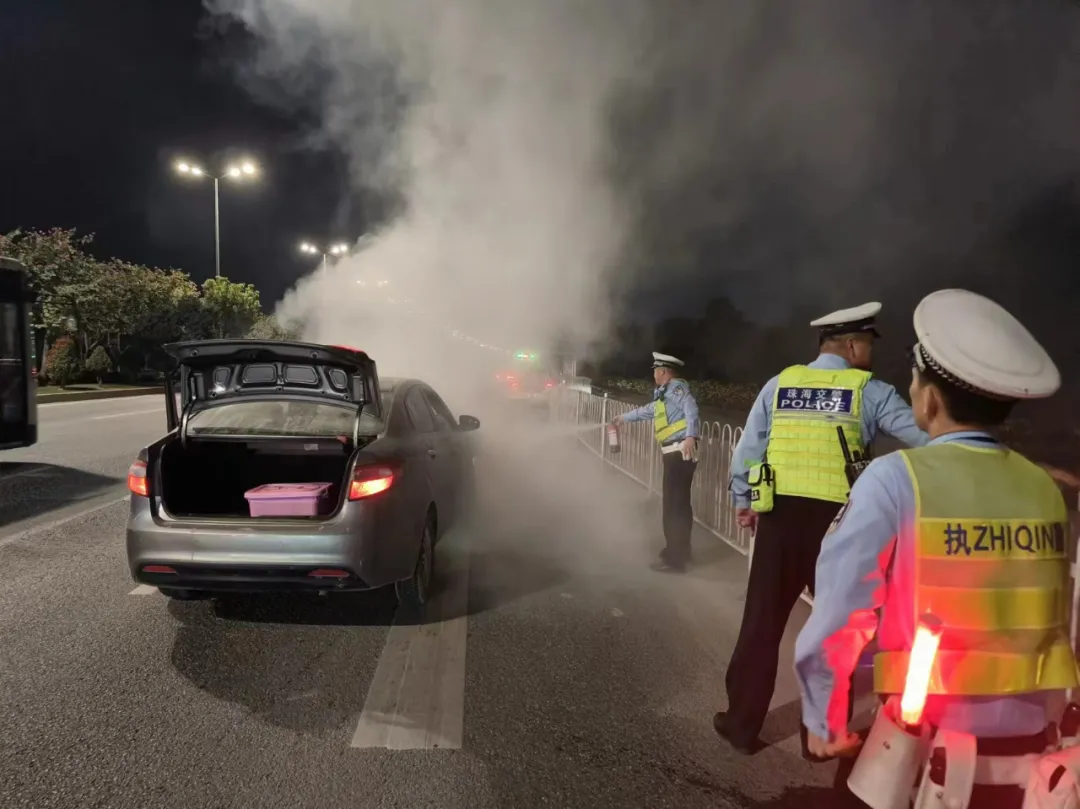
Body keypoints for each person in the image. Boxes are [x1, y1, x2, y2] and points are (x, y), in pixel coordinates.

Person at [794, 289, 1077, 808]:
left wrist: (823, 716)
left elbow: (839, 614)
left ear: (927, 400)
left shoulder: (895, 479)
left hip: (921, 756)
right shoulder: (1044, 489)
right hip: (1033, 764)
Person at [716, 301, 929, 755]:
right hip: (839, 527)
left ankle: (741, 725)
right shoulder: (870, 391)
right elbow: (927, 437)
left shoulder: (780, 384)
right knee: (838, 631)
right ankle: (823, 737)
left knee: (761, 623)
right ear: (852, 346)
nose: (869, 353)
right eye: (867, 344)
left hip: (779, 520)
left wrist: (743, 501)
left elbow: (749, 448)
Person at [613, 352, 700, 573]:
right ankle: (681, 551)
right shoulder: (665, 393)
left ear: (663, 371)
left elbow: (691, 408)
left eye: (655, 371)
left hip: (679, 451)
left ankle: (674, 559)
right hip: (675, 452)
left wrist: (691, 436)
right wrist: (624, 418)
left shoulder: (676, 389)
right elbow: (649, 411)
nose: (653, 374)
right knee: (679, 505)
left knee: (673, 507)